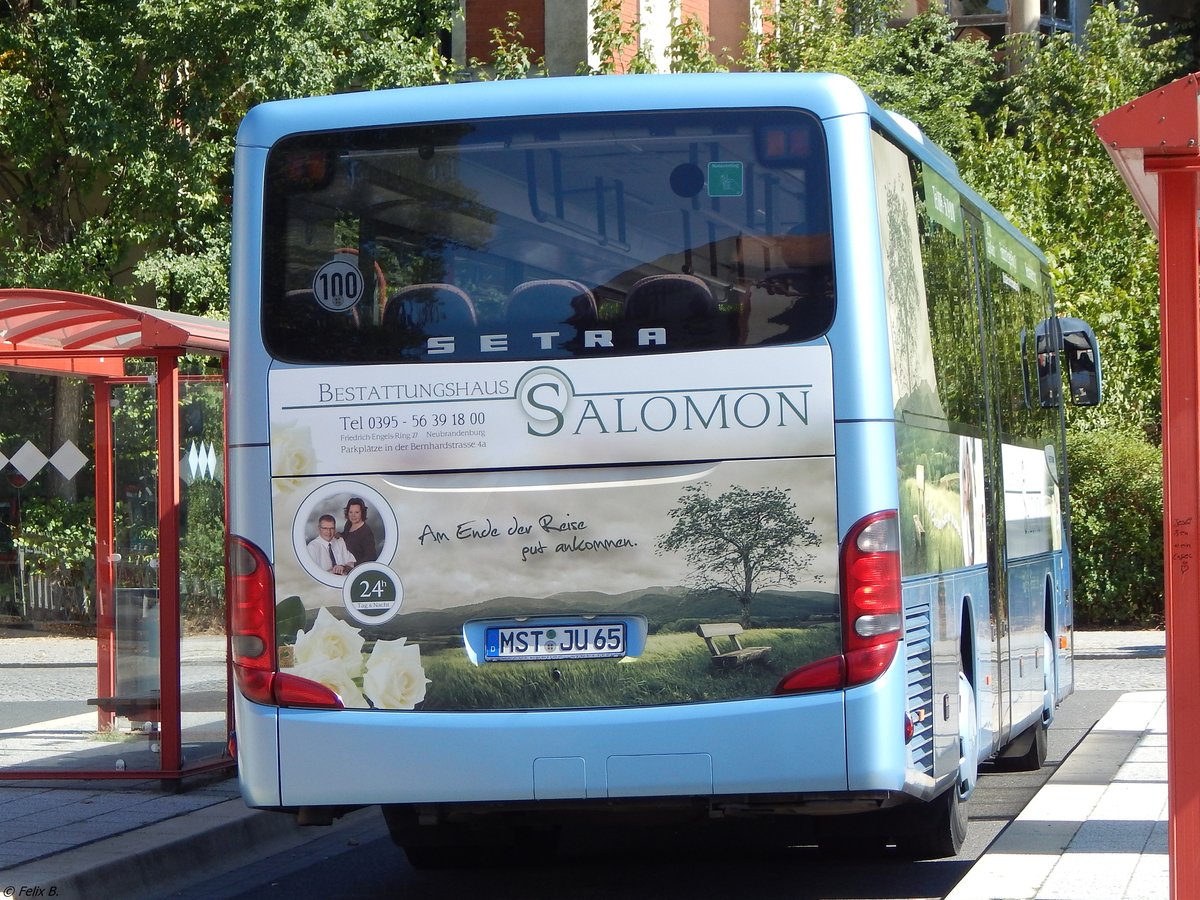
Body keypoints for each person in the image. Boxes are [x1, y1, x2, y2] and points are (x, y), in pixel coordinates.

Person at [341, 497, 378, 564]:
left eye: (357, 512)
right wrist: (339, 535)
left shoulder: (366, 532)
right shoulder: (349, 524)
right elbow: (346, 536)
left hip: (357, 569)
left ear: (362, 513)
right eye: (350, 512)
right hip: (344, 562)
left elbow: (371, 557)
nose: (353, 516)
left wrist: (353, 565)